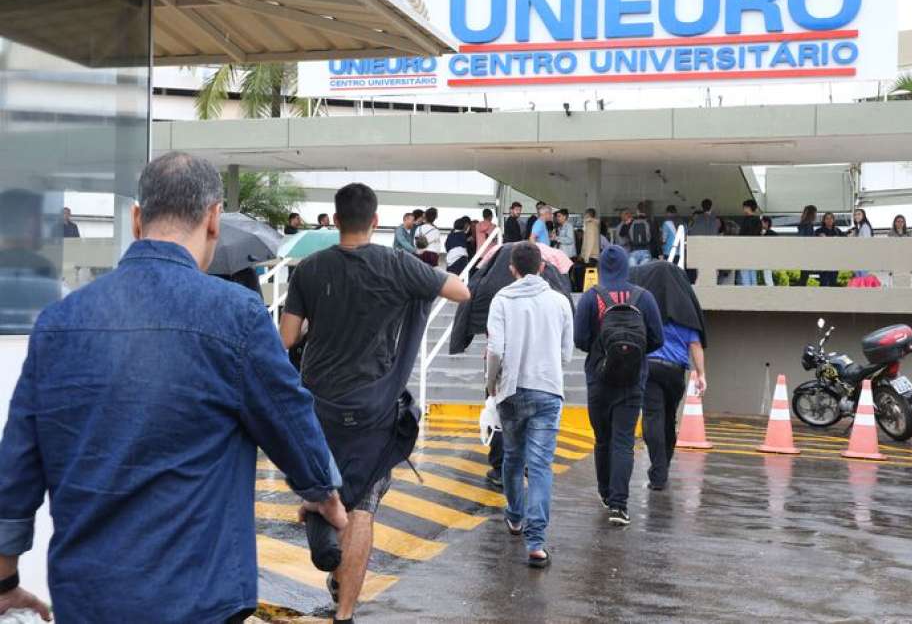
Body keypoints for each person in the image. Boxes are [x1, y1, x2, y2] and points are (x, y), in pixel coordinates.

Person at [0, 152, 347, 624]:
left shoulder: (59, 322)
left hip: (87, 596)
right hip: (198, 598)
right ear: (213, 219)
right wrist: (322, 493)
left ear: (138, 220)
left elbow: (17, 468)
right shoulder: (238, 316)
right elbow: (293, 425)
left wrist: (4, 580)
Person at [280, 183, 469, 623]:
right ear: (375, 218)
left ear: (336, 217)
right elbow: (461, 292)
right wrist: (413, 285)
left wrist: (314, 332)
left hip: (318, 406)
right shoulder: (396, 264)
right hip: (374, 408)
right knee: (363, 505)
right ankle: (344, 611)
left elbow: (286, 339)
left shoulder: (310, 269)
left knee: (322, 485)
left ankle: (323, 527)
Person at [485, 242, 573, 568]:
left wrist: (491, 384)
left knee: (512, 457)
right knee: (539, 467)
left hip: (511, 391)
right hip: (548, 392)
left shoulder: (501, 300)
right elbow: (566, 354)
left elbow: (495, 349)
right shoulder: (561, 302)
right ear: (541, 267)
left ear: (512, 269)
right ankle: (536, 543)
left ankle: (515, 517)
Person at [574, 246, 663, 526]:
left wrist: (603, 350)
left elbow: (579, 338)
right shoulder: (643, 297)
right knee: (623, 441)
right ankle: (619, 505)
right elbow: (657, 338)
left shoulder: (591, 297)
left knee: (602, 440)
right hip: (633, 380)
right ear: (627, 266)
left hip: (598, 380)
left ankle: (604, 492)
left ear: (601, 268)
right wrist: (631, 353)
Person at [630, 261, 707, 491]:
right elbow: (696, 345)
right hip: (675, 372)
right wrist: (702, 374)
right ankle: (664, 465)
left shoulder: (645, 308)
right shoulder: (686, 312)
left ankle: (658, 470)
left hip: (650, 367)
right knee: (669, 418)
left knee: (652, 417)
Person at [815, 212, 843, 287]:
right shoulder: (819, 231)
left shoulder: (838, 231)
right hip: (823, 260)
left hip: (835, 260)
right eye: (827, 218)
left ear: (834, 220)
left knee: (833, 282)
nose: (829, 220)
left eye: (831, 218)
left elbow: (844, 244)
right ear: (824, 220)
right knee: (823, 282)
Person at [738, 199, 762, 286]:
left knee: (745, 273)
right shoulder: (758, 220)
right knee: (752, 273)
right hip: (753, 250)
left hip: (745, 249)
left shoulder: (746, 220)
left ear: (748, 208)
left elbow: (741, 235)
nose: (743, 209)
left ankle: (747, 293)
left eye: (744, 207)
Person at [795, 205, 818, 286]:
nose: (816, 215)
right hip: (807, 254)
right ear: (812, 214)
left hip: (802, 253)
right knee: (804, 277)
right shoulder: (809, 225)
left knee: (803, 276)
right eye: (815, 213)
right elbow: (809, 239)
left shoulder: (803, 224)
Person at [760, 216, 777, 286]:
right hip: (771, 257)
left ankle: (770, 290)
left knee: (767, 275)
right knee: (768, 275)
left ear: (766, 223)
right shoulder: (774, 233)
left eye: (761, 222)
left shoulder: (767, 233)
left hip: (768, 257)